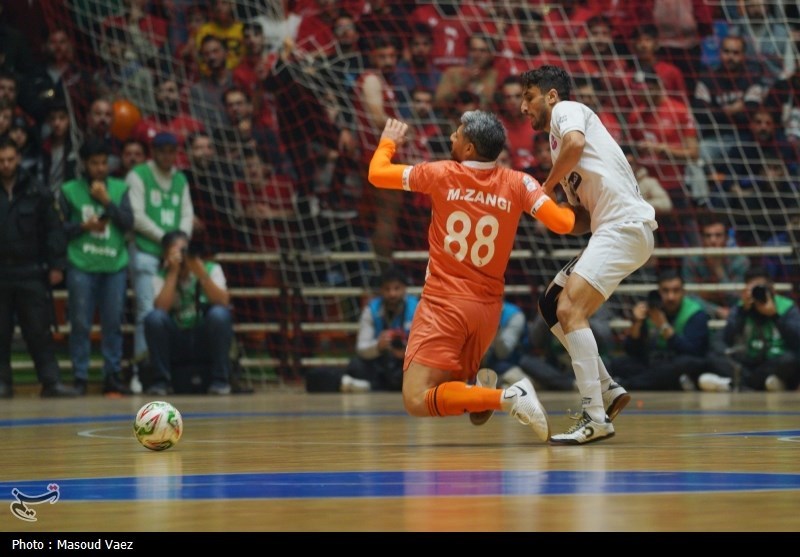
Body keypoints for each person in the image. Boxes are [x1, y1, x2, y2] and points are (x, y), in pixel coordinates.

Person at [368, 111, 579, 442]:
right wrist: (575, 203)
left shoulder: (440, 173)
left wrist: (387, 143)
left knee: (416, 398)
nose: (452, 137)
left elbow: (377, 174)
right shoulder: (519, 182)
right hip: (488, 311)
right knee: (453, 389)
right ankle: (485, 394)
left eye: (457, 133)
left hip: (444, 306)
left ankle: (508, 397)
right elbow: (564, 224)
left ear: (468, 148)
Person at [520, 65, 658, 444]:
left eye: (528, 97)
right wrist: (549, 213)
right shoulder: (559, 148)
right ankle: (607, 388)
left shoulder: (567, 112)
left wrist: (543, 188)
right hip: (610, 229)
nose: (523, 107)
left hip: (623, 225)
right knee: (551, 304)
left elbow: (576, 145)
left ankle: (595, 417)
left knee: (570, 310)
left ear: (551, 96)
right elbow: (581, 219)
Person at [0, 136, 76, 398]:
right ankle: (2, 383)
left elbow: (53, 229)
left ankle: (51, 381)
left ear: (19, 159)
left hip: (30, 270)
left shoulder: (37, 190)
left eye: (10, 159)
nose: (6, 164)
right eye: (1, 160)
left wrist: (56, 264)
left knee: (39, 330)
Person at [60, 137, 134, 396]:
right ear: (84, 164)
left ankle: (112, 375)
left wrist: (107, 202)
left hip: (114, 264)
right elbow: (58, 229)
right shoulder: (69, 190)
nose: (100, 168)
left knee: (113, 323)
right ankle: (80, 377)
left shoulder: (120, 188)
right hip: (81, 264)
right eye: (94, 163)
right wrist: (83, 226)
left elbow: (128, 223)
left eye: (104, 163)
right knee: (80, 323)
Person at [126, 131, 195, 386]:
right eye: (162, 151)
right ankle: (141, 371)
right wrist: (167, 240)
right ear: (153, 152)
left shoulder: (180, 179)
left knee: (179, 310)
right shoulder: (138, 175)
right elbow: (136, 216)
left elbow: (187, 215)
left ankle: (171, 371)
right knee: (147, 312)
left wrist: (178, 244)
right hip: (146, 251)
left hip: (174, 253)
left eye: (171, 151)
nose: (167, 156)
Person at [144, 230, 233, 396]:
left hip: (203, 335)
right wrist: (173, 273)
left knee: (220, 315)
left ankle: (221, 380)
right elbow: (161, 309)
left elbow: (223, 301)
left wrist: (201, 274)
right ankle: (162, 382)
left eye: (184, 249)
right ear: (166, 255)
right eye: (176, 251)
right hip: (177, 338)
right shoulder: (161, 275)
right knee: (154, 319)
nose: (183, 256)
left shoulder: (211, 269)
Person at [608, 270, 712, 391]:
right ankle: (655, 382)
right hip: (655, 361)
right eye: (665, 291)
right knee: (618, 363)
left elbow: (694, 351)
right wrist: (636, 322)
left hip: (679, 362)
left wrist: (663, 326)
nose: (671, 297)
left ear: (683, 292)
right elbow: (632, 351)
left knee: (683, 364)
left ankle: (627, 384)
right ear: (658, 292)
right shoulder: (651, 309)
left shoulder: (695, 313)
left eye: (676, 291)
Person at [702, 266, 800, 392]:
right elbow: (727, 337)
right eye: (753, 290)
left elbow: (797, 341)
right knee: (713, 356)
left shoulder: (786, 307)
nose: (757, 293)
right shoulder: (741, 308)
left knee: (790, 359)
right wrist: (743, 312)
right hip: (746, 362)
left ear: (772, 289)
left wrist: (774, 316)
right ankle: (760, 383)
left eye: (761, 289)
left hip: (775, 360)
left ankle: (735, 384)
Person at [339, 266, 419, 393]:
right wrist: (378, 346)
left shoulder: (417, 307)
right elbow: (361, 348)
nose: (392, 294)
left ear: (405, 288)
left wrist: (406, 353)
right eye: (387, 289)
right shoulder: (372, 309)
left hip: (410, 361)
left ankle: (368, 386)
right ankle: (372, 385)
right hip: (381, 360)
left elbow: (428, 345)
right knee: (356, 365)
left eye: (397, 288)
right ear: (381, 290)